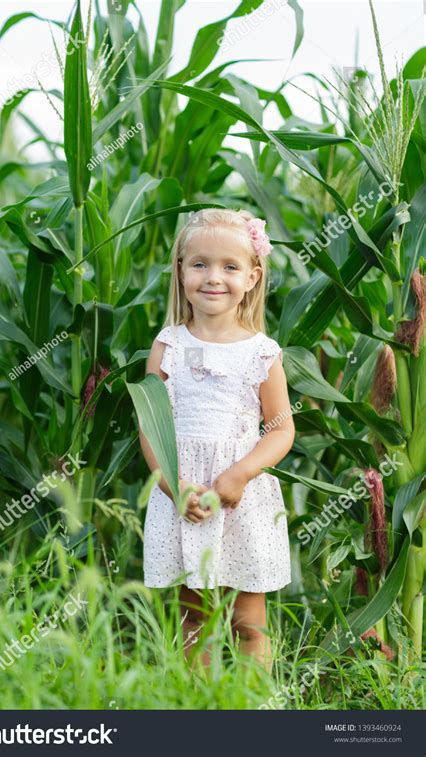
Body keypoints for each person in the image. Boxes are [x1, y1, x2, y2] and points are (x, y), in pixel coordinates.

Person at [139, 208, 295, 673]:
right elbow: (151, 424)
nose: (214, 277)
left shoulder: (261, 353)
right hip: (182, 494)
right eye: (200, 264)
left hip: (242, 499)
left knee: (249, 622)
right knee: (194, 618)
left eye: (230, 266)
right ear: (181, 270)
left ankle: (250, 712)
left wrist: (240, 473)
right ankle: (198, 712)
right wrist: (173, 484)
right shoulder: (168, 346)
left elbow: (281, 427)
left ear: (252, 276)